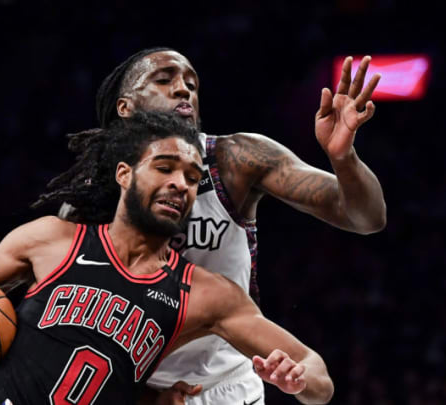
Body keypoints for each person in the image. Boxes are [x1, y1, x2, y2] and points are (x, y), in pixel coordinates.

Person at [0, 112, 334, 405]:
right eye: (164, 168)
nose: (181, 184)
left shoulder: (206, 294)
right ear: (124, 174)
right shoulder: (52, 239)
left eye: (192, 177)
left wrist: (296, 379)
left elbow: (319, 377)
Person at [64, 47, 387, 404]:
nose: (184, 89)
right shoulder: (92, 196)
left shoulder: (234, 158)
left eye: (191, 83)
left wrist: (344, 158)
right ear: (124, 108)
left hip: (225, 383)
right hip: (135, 388)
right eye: (164, 79)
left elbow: (367, 218)